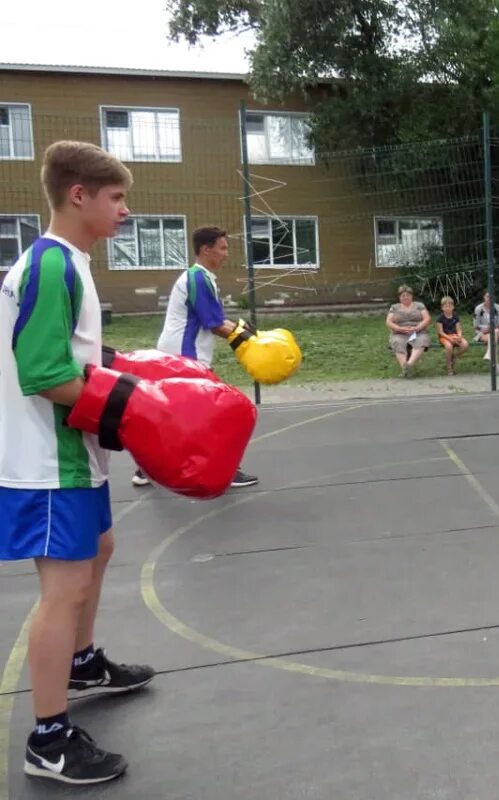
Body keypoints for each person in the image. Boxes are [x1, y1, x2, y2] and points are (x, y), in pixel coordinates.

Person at [1, 141, 155, 785]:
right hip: (46, 461)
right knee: (62, 591)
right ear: (78, 196)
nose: (125, 210)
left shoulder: (70, 263)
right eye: (116, 198)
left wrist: (116, 367)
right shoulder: (50, 266)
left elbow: (69, 353)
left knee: (102, 548)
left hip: (71, 452)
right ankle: (49, 739)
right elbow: (41, 372)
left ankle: (83, 662)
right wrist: (134, 405)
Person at [140, 226, 258, 488]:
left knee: (172, 412)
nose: (226, 254)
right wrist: (253, 342)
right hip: (185, 356)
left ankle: (143, 468)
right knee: (218, 411)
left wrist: (247, 332)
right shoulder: (198, 278)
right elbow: (214, 323)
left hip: (178, 354)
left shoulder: (199, 277)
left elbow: (215, 320)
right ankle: (227, 470)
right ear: (207, 250)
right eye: (223, 248)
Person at [387, 285, 431, 378]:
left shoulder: (419, 305)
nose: (406, 297)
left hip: (417, 332)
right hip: (400, 332)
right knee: (397, 342)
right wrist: (399, 329)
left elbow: (427, 318)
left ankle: (408, 366)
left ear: (411, 296)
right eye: (403, 295)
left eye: (408, 295)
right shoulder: (394, 307)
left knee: (422, 340)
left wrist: (418, 327)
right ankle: (406, 368)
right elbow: (388, 322)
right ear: (399, 297)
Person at [473, 292, 499, 373]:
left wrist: (491, 329)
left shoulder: (498, 308)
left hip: (496, 331)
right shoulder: (478, 309)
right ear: (484, 297)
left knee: (496, 332)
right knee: (493, 339)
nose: (489, 298)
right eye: (487, 296)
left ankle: (489, 354)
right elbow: (475, 325)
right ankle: (496, 366)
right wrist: (484, 329)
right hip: (482, 333)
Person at [436, 296, 469, 376]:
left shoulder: (455, 316)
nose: (448, 308)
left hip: (454, 335)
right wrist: (450, 338)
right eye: (445, 306)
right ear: (442, 308)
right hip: (444, 336)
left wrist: (459, 336)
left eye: (450, 306)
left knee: (465, 344)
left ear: (453, 307)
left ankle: (454, 357)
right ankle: (449, 367)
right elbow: (441, 332)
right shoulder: (440, 318)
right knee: (449, 346)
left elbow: (459, 329)